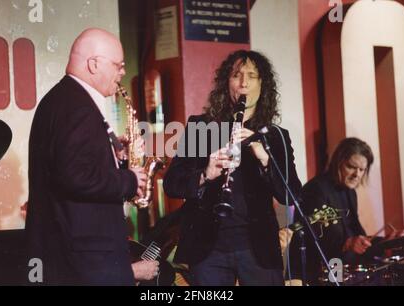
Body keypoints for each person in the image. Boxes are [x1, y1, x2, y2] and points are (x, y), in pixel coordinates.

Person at [26, 28, 158, 285]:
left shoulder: (63, 100)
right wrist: (129, 180)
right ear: (94, 64)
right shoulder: (78, 108)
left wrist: (115, 155)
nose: (122, 72)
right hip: (87, 257)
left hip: (74, 252)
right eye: (118, 65)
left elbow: (73, 166)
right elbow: (75, 177)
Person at [163, 50, 302, 286]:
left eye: (251, 76)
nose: (243, 82)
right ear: (227, 82)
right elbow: (172, 183)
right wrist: (205, 175)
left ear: (262, 84)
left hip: (258, 250)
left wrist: (266, 159)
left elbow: (291, 194)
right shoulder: (202, 127)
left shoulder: (275, 136)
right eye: (236, 75)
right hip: (209, 251)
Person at [287, 137, 376, 285]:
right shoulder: (316, 189)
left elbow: (356, 231)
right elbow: (313, 239)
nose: (357, 175)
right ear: (338, 162)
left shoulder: (350, 192)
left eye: (362, 170)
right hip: (316, 271)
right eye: (351, 167)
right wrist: (347, 243)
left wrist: (385, 242)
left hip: (339, 267)